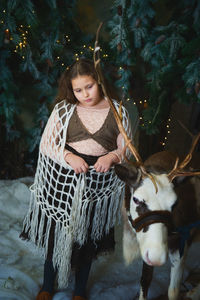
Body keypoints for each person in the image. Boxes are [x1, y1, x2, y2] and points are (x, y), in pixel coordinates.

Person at [20, 58, 132, 300]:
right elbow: (48, 144)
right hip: (64, 179)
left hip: (97, 180)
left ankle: (80, 290)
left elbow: (127, 148)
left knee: (87, 236)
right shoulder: (64, 109)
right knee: (58, 234)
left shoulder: (117, 110)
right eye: (78, 90)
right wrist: (68, 156)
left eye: (89, 86)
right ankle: (47, 285)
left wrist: (112, 156)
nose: (85, 94)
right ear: (71, 90)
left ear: (99, 82)